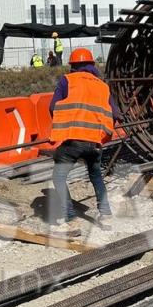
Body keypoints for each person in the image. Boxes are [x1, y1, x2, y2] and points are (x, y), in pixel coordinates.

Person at [49, 48, 121, 231]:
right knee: (96, 175)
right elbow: (115, 113)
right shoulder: (102, 85)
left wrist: (64, 128)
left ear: (73, 66)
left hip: (73, 141)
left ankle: (71, 218)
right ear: (92, 65)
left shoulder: (68, 80)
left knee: (58, 176)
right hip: (94, 143)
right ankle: (105, 215)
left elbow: (52, 107)